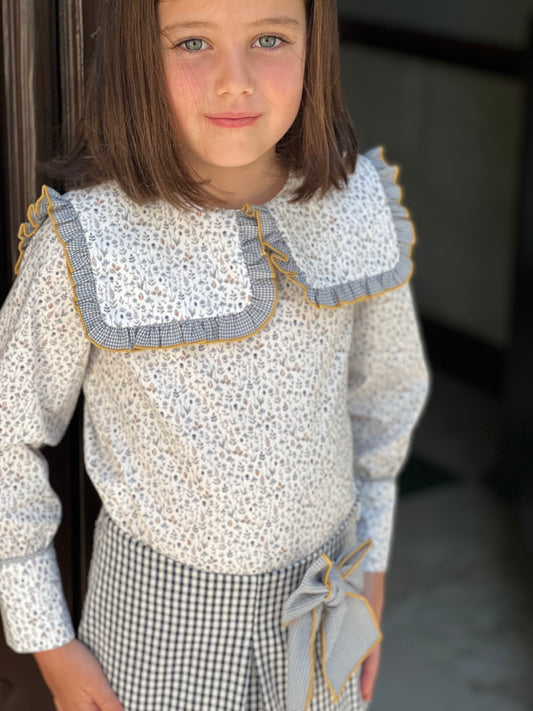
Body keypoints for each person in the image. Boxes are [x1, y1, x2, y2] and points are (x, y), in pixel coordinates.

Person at [0, 0, 430, 709]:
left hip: (324, 610)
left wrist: (372, 569)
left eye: (269, 39)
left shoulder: (357, 209)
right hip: (152, 639)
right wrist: (48, 640)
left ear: (314, 42)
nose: (235, 80)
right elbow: (7, 435)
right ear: (139, 53)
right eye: (192, 42)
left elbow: (384, 401)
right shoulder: (88, 243)